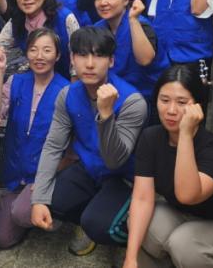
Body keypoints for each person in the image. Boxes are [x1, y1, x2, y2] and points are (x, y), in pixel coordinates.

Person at [122, 64, 213, 268]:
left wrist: (185, 133)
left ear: (197, 106)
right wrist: (130, 258)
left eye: (181, 102)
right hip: (184, 217)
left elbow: (187, 195)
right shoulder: (151, 138)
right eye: (164, 100)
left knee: (183, 243)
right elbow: (142, 198)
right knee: (139, 221)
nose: (171, 110)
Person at [30, 27, 147, 255]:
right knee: (48, 198)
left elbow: (115, 161)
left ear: (111, 61)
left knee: (99, 225)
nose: (90, 64)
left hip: (124, 177)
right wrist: (38, 200)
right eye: (82, 55)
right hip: (90, 169)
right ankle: (93, 214)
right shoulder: (68, 95)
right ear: (72, 59)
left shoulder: (133, 102)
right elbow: (53, 146)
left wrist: (106, 115)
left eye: (99, 55)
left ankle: (139, 234)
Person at [0, 28, 70, 249]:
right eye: (33, 50)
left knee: (20, 213)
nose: (39, 56)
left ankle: (51, 212)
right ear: (26, 53)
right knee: (1, 239)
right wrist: (0, 72)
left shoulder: (66, 90)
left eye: (47, 50)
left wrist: (47, 177)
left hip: (46, 176)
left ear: (58, 55)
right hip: (16, 175)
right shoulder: (16, 81)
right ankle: (21, 206)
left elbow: (72, 148)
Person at [93, 0, 169, 124]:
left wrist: (133, 19)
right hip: (114, 98)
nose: (103, 2)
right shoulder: (98, 28)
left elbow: (145, 59)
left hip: (146, 99)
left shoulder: (141, 24)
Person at [0, 0, 79, 79]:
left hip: (66, 81)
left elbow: (76, 63)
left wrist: (72, 88)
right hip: (37, 80)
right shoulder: (17, 20)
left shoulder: (65, 18)